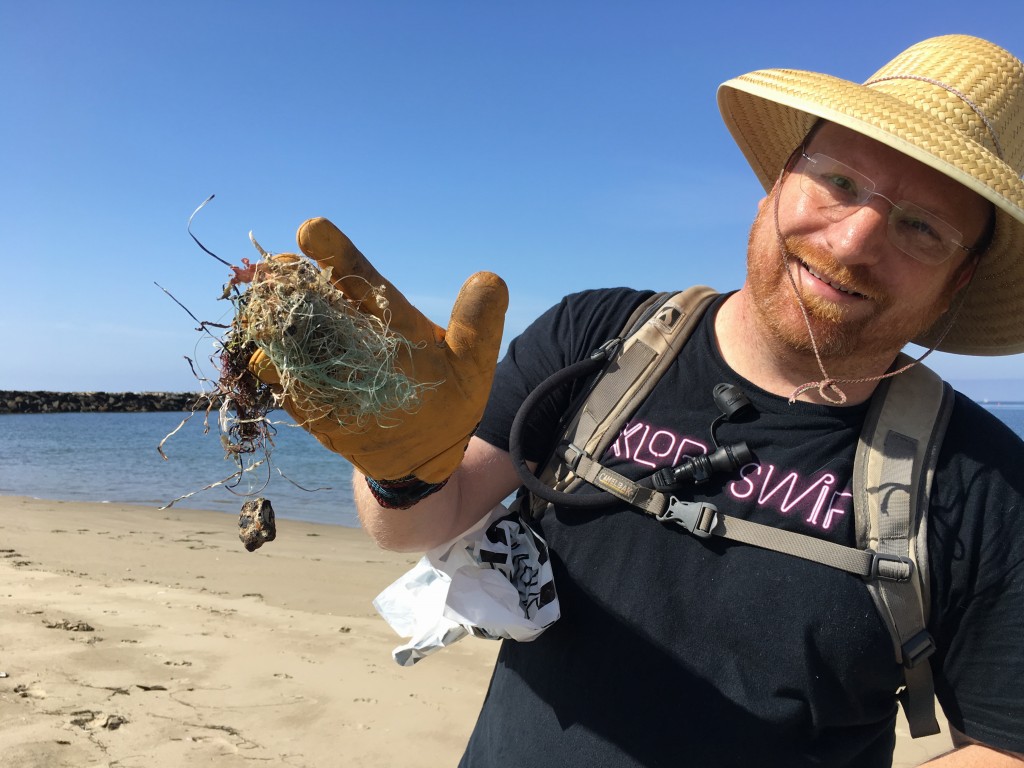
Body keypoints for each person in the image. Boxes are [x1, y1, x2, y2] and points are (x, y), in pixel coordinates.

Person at [255, 34, 1024, 767]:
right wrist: (402, 466)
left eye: (921, 227)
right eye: (841, 182)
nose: (855, 240)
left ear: (958, 279)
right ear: (780, 177)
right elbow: (423, 524)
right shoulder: (598, 337)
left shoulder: (983, 485)